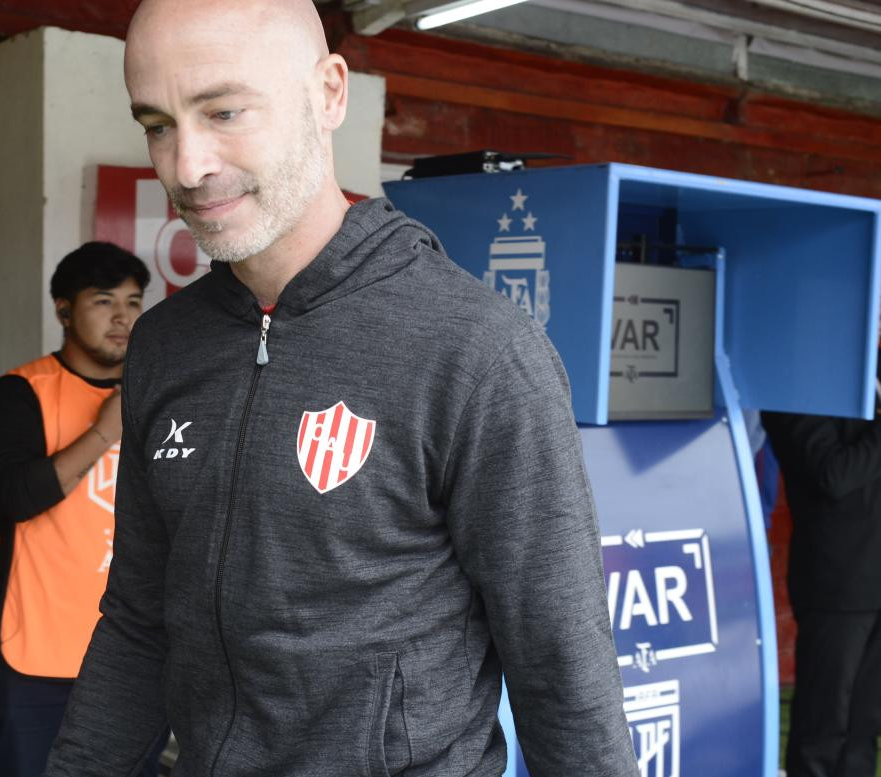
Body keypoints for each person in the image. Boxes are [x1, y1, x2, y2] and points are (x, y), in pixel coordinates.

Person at [44, 1, 637, 775]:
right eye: (158, 124)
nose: (186, 166)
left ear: (328, 93)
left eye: (223, 111)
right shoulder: (164, 344)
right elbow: (139, 620)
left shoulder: (474, 348)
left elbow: (561, 662)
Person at [0, 242, 166, 777]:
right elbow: (18, 499)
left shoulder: (160, 393)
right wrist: (107, 429)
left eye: (133, 302)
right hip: (38, 647)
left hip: (135, 648)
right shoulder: (20, 393)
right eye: (103, 301)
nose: (122, 318)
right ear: (63, 309)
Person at [762, 399, 881, 777]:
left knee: (864, 724)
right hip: (837, 582)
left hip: (876, 574)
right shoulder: (798, 395)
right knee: (823, 724)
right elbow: (833, 475)